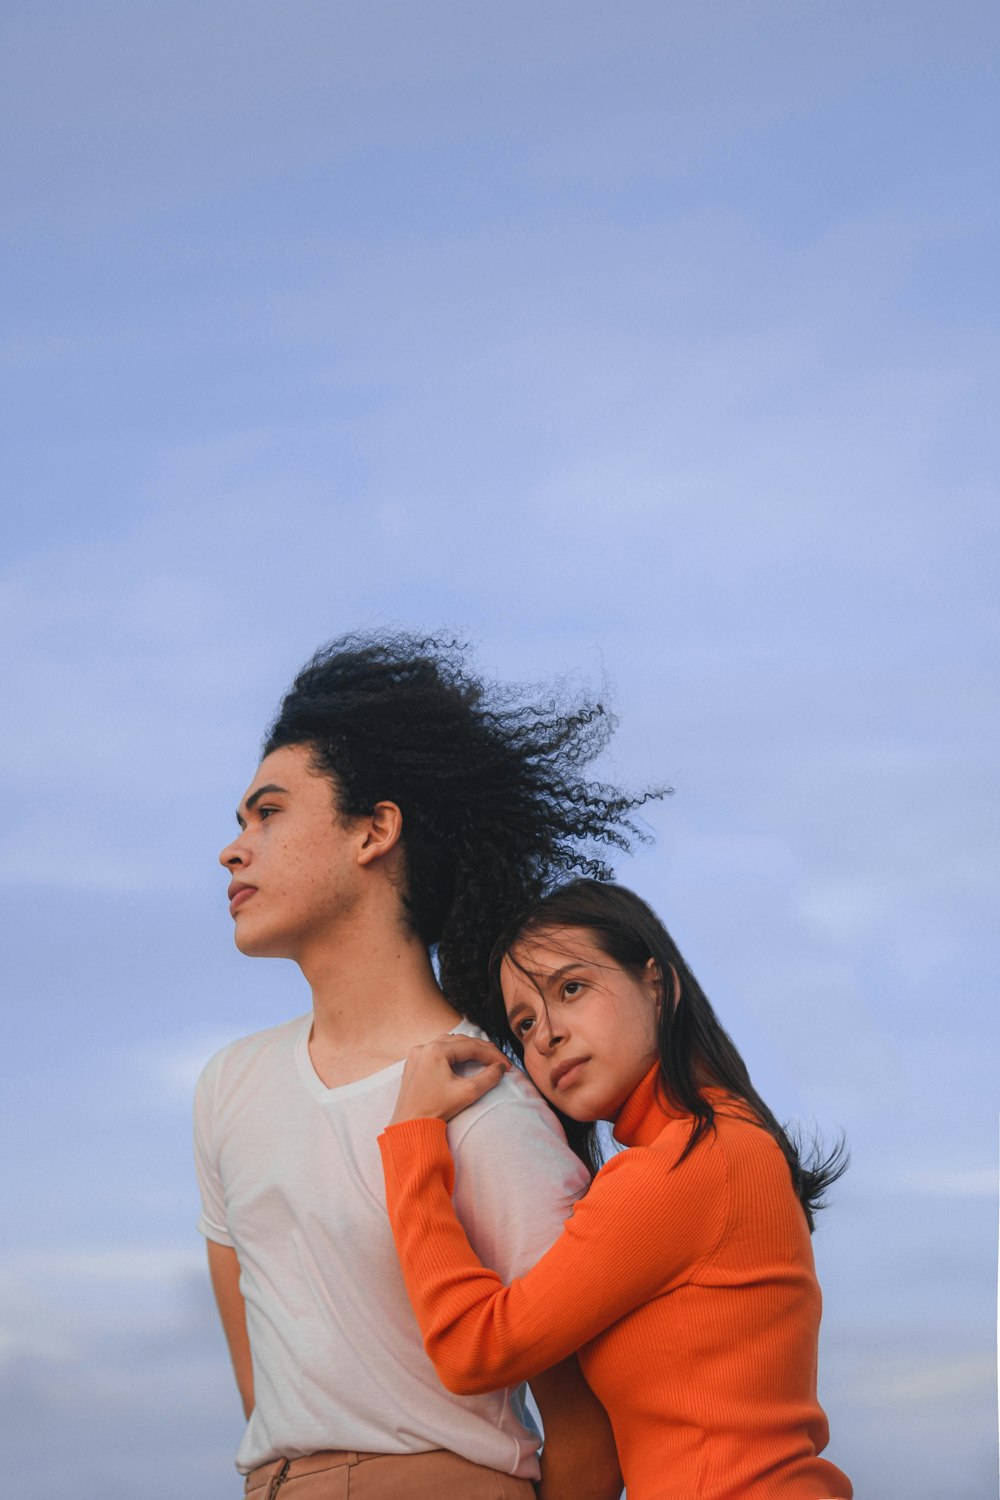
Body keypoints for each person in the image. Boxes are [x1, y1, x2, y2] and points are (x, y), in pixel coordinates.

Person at [194, 631, 656, 1499]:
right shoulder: (229, 1087)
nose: (234, 847)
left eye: (269, 812)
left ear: (375, 829)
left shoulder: (490, 1107)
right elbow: (267, 1391)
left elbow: (587, 1426)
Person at [378, 879, 853, 1500]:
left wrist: (412, 1140)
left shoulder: (694, 1158)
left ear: (659, 985)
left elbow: (476, 1350)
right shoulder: (721, 1146)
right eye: (524, 1023)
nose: (546, 1035)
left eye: (571, 989)